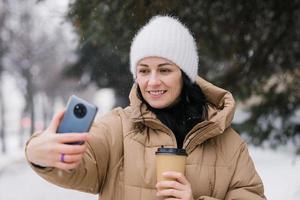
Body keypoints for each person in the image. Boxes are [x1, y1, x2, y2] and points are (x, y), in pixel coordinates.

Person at [25, 15, 266, 200]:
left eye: (164, 69)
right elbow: (80, 163)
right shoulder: (118, 127)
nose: (152, 82)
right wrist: (37, 152)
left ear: (185, 75)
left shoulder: (228, 143)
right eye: (143, 71)